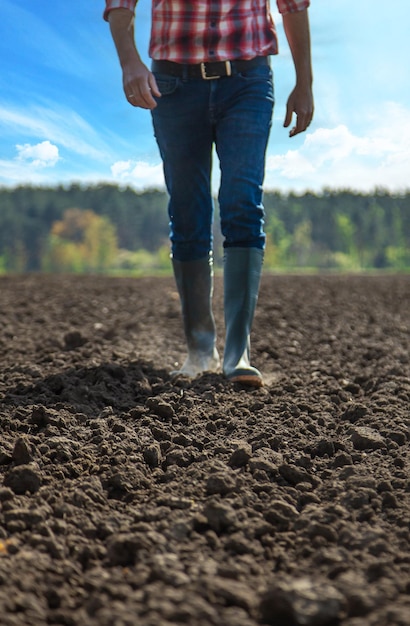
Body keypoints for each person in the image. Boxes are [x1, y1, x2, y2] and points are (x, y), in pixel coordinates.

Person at [104, 0, 313, 388]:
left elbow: (293, 7)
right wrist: (129, 61)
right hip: (173, 84)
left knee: (242, 203)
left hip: (248, 82)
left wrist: (305, 82)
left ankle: (238, 354)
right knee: (187, 212)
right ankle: (200, 350)